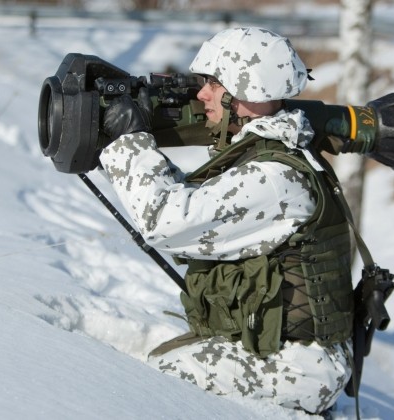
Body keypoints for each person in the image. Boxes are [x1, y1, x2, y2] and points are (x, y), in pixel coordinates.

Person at [98, 27, 354, 415]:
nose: (201, 95)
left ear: (244, 90)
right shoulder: (273, 151)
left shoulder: (272, 177)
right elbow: (198, 207)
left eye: (213, 83)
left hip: (300, 367)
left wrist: (129, 143)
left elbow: (168, 223)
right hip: (287, 349)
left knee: (162, 375)